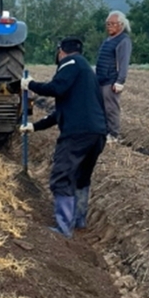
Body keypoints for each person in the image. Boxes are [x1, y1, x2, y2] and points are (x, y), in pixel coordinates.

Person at [20, 38, 107, 239]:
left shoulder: (71, 64)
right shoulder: (85, 71)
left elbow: (56, 88)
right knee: (81, 176)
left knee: (62, 175)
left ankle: (63, 228)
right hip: (96, 133)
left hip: (78, 134)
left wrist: (30, 84)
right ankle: (79, 220)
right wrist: (34, 126)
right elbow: (60, 112)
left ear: (61, 52)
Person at [95, 10, 132, 142]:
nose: (109, 26)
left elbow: (123, 62)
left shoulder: (123, 41)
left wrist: (120, 81)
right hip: (101, 79)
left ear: (120, 25)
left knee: (111, 108)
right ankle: (104, 132)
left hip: (111, 80)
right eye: (108, 24)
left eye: (112, 24)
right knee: (101, 108)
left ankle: (113, 134)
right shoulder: (108, 40)